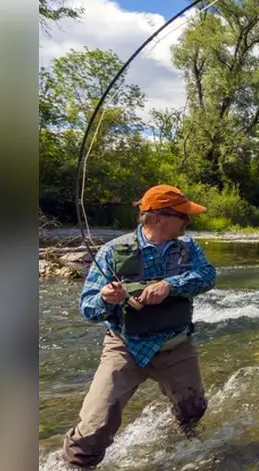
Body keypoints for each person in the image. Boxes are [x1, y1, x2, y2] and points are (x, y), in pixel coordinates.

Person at [61, 184, 217, 469]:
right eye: (184, 216)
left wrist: (170, 284)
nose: (188, 222)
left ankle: (186, 446)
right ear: (158, 218)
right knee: (94, 428)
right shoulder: (112, 252)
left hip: (176, 345)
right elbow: (87, 308)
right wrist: (106, 299)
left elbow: (207, 277)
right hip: (124, 348)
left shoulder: (189, 248)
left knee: (193, 410)